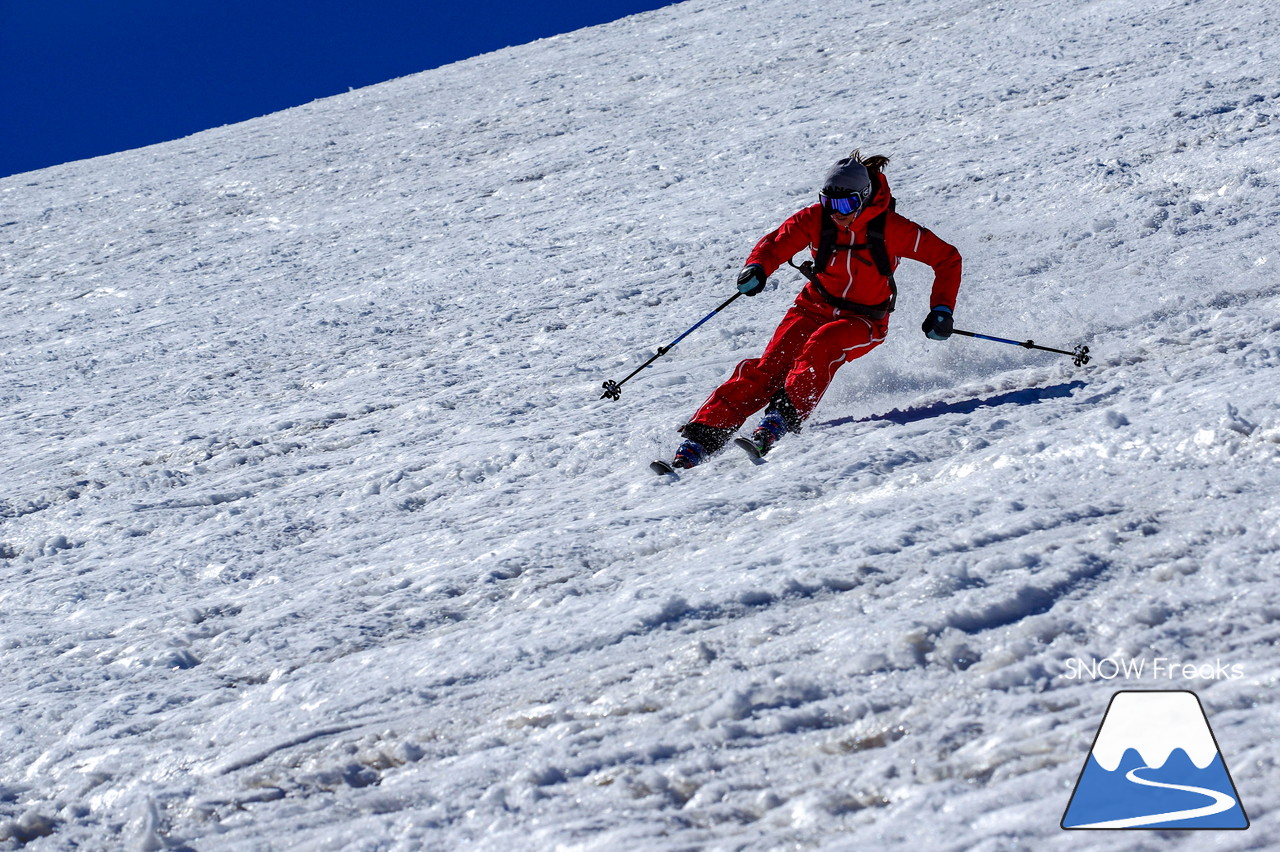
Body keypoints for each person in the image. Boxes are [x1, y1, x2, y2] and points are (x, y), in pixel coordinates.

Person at [665, 150, 962, 468]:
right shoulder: (815, 220)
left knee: (822, 346)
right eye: (828, 203)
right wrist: (757, 268)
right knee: (770, 368)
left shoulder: (891, 228)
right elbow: (777, 242)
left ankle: (779, 420)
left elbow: (947, 258)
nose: (836, 213)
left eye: (845, 205)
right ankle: (700, 440)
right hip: (813, 306)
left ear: (862, 198)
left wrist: (941, 309)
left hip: (864, 319)